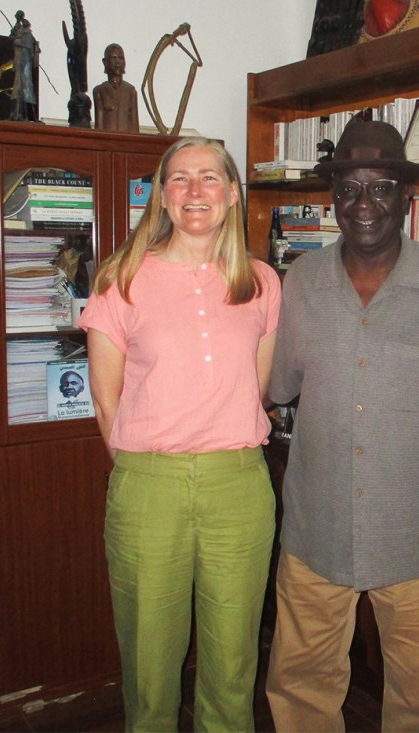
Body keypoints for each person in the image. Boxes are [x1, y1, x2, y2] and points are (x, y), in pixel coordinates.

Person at [265, 117, 419, 732]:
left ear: (406, 197)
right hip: (316, 530)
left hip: (412, 536)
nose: (363, 204)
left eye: (379, 187)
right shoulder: (301, 282)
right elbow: (279, 386)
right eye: (348, 189)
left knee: (418, 704)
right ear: (333, 198)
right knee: (300, 692)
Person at [77, 137, 281, 732]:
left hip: (238, 485)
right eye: (180, 179)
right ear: (162, 198)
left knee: (234, 660)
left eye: (210, 178)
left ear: (233, 194)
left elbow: (257, 387)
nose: (196, 191)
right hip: (149, 487)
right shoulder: (121, 279)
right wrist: (148, 465)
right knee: (150, 660)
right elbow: (105, 398)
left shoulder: (262, 283)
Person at [93, 43, 139, 133]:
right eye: (113, 58)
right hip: (106, 143)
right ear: (105, 62)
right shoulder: (99, 91)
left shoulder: (131, 91)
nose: (118, 62)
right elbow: (99, 126)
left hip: (127, 143)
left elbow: (134, 125)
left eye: (121, 58)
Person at [9, 10, 39, 122]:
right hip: (20, 62)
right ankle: (17, 113)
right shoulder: (17, 28)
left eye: (20, 16)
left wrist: (19, 41)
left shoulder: (26, 33)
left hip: (24, 63)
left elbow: (29, 45)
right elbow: (12, 37)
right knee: (19, 86)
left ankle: (25, 114)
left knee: (25, 86)